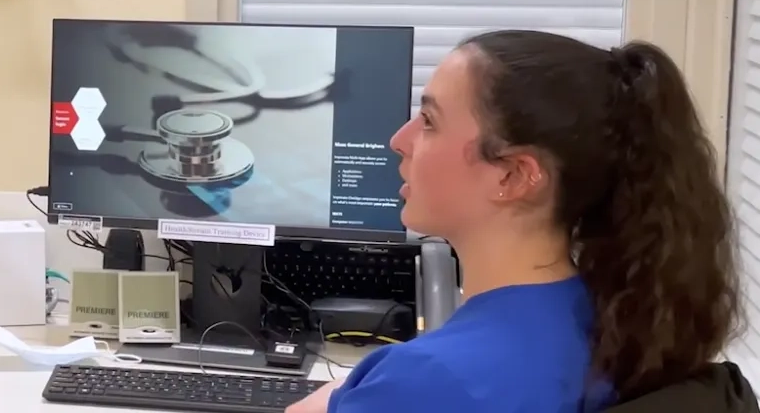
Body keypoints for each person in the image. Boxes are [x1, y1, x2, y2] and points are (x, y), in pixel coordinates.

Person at [287, 30, 747, 413]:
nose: (398, 140)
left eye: (428, 120)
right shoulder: (617, 320)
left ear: (513, 175)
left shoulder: (429, 382)